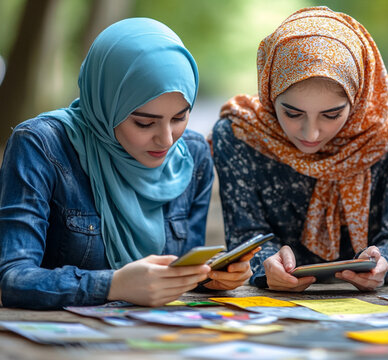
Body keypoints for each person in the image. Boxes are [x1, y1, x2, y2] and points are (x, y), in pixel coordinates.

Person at [0, 18, 255, 310]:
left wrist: (212, 276)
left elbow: (180, 268)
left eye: (180, 117)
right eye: (144, 123)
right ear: (106, 104)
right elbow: (12, 278)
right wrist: (113, 285)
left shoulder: (192, 155)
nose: (167, 140)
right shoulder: (41, 144)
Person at [211, 6, 388, 292]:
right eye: (292, 113)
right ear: (269, 92)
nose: (310, 133)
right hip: (273, 305)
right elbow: (246, 236)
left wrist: (385, 261)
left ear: (358, 99)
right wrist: (266, 263)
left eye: (331, 115)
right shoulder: (242, 135)